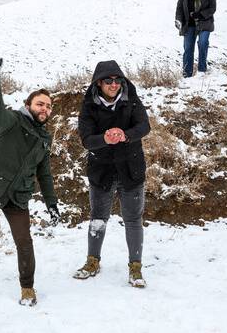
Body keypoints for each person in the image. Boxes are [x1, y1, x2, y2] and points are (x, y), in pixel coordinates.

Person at [0, 55, 60, 306]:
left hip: (18, 196)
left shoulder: (44, 139)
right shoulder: (11, 122)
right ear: (28, 104)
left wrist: (52, 203)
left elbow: (44, 173)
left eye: (49, 106)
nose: (45, 109)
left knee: (24, 243)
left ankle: (27, 287)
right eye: (40, 104)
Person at [74, 60, 150, 288]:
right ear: (99, 83)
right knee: (98, 219)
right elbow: (86, 139)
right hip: (102, 170)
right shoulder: (89, 105)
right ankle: (92, 261)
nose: (114, 84)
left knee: (133, 220)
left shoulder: (131, 99)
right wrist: (104, 139)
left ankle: (135, 267)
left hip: (131, 169)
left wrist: (125, 135)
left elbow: (144, 126)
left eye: (118, 80)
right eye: (109, 80)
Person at [175, 0, 217, 78]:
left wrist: (201, 14)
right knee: (188, 48)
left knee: (203, 43)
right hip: (189, 25)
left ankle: (202, 71)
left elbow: (213, 7)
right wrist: (178, 20)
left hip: (204, 23)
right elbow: (179, 9)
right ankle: (186, 74)